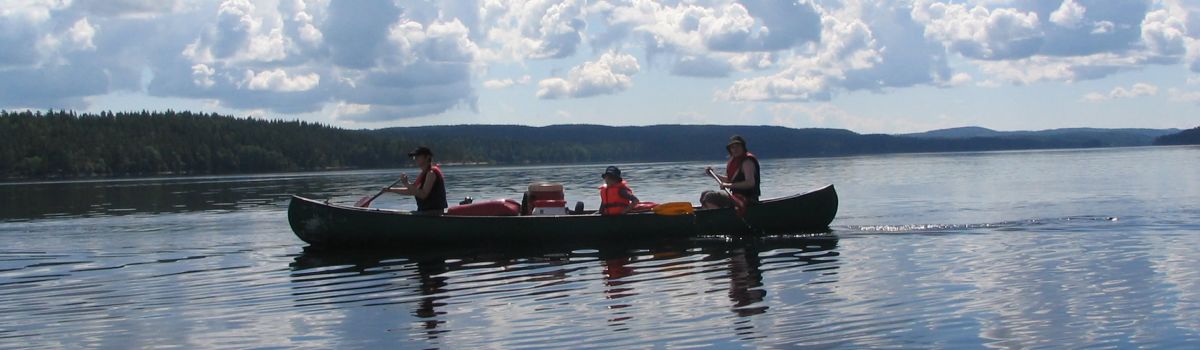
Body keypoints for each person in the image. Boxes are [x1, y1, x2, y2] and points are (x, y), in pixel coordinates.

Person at [702, 135, 760, 209]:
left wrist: (728, 185)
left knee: (710, 197)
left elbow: (750, 183)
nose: (735, 149)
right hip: (735, 196)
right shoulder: (734, 161)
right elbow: (729, 180)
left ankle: (716, 216)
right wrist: (713, 175)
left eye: (738, 146)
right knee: (704, 194)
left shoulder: (747, 162)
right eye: (733, 147)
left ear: (743, 147)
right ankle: (709, 213)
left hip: (748, 199)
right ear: (730, 149)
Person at [385, 146, 448, 214]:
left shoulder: (431, 173)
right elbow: (412, 191)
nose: (415, 159)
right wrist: (391, 190)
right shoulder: (424, 173)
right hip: (425, 212)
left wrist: (406, 183)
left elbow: (423, 194)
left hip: (433, 213)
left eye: (418, 156)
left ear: (427, 157)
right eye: (415, 157)